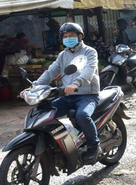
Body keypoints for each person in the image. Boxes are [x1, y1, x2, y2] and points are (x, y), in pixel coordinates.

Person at [21, 22, 101, 164]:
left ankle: (94, 146)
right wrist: (33, 87)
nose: (68, 38)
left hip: (88, 95)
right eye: (65, 36)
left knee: (82, 115)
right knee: (44, 114)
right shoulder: (63, 55)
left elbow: (89, 71)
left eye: (71, 35)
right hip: (67, 95)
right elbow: (51, 72)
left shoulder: (90, 52)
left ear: (80, 36)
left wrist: (76, 83)